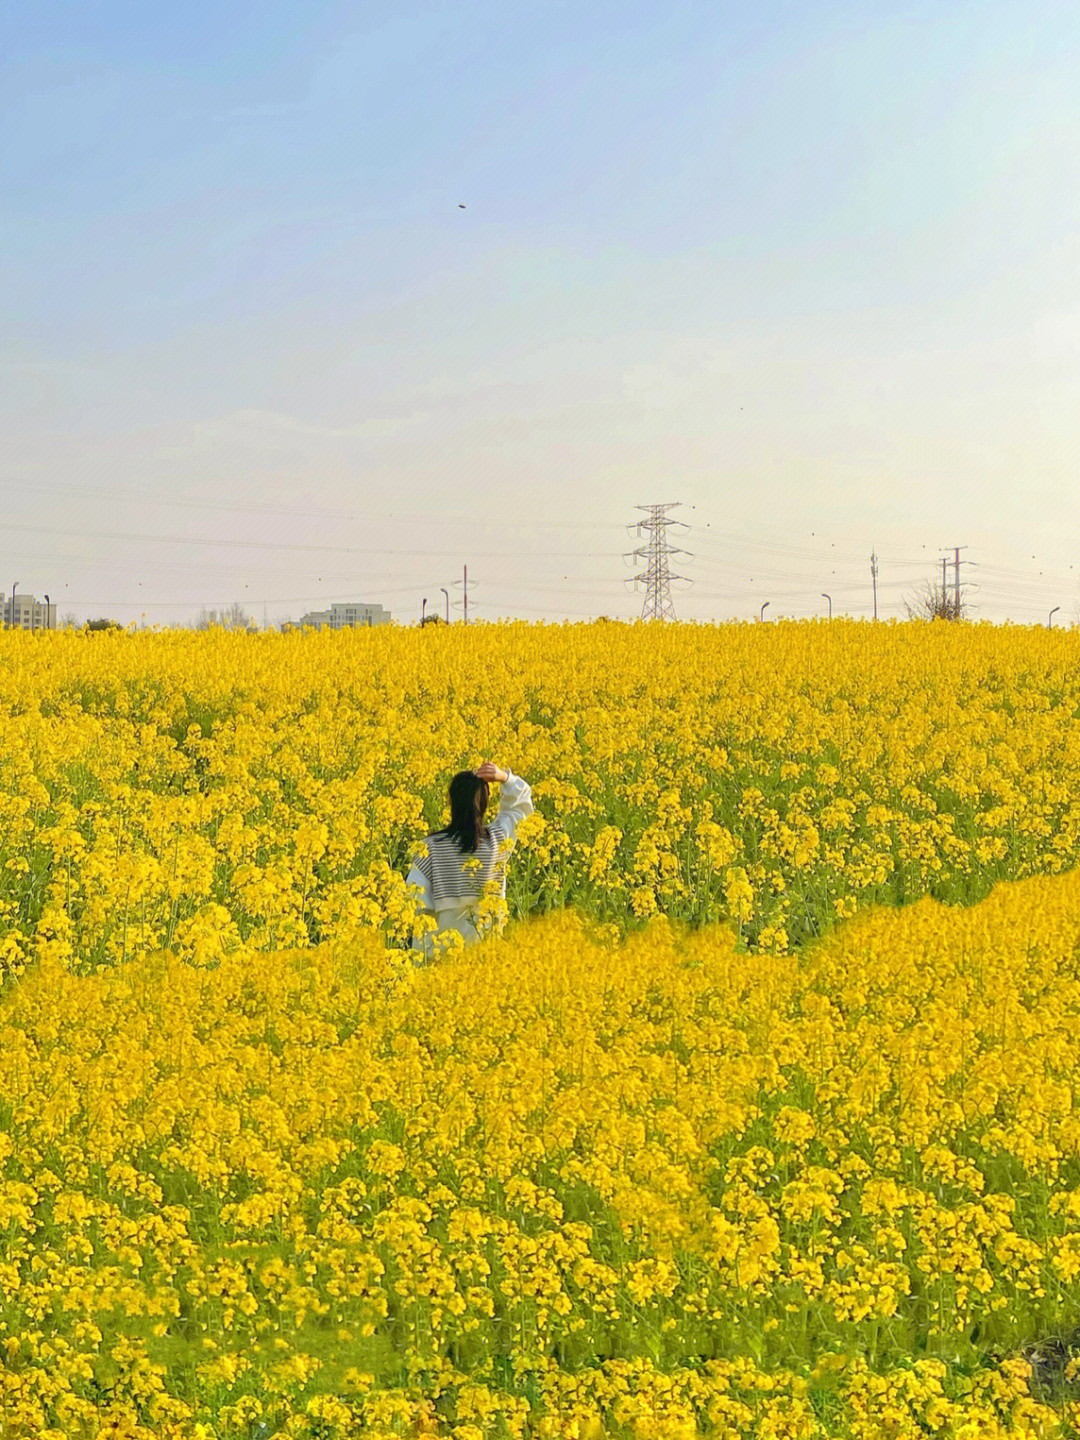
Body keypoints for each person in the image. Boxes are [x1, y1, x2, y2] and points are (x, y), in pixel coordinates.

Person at [407, 760, 533, 957]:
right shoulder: (497, 841)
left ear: (451, 802)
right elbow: (521, 806)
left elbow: (416, 903)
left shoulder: (430, 847)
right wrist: (504, 777)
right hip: (485, 956)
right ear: (484, 803)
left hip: (442, 956)